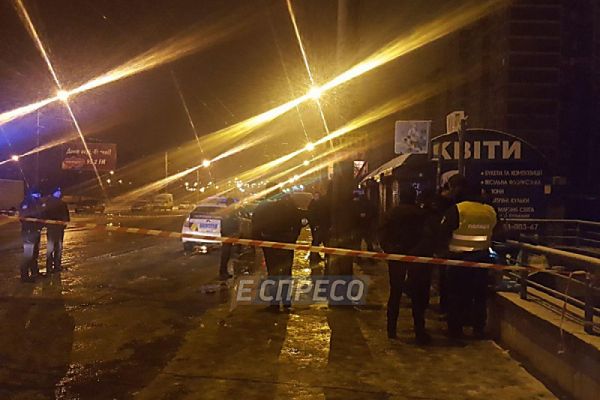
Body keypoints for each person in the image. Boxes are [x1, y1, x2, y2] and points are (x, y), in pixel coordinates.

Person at [439, 174, 497, 339]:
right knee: (479, 296)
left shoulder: (458, 209)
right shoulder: (490, 211)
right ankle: (478, 329)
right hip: (482, 259)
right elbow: (497, 231)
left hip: (459, 260)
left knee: (456, 296)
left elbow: (443, 232)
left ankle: (455, 331)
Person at [379, 185, 436, 344]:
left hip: (396, 258)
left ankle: (391, 329)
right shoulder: (422, 215)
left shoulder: (391, 214)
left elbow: (382, 235)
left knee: (395, 293)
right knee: (418, 296)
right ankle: (419, 331)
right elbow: (428, 237)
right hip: (418, 259)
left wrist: (390, 251)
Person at [252, 183, 302, 310]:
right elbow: (298, 221)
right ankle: (286, 302)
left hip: (270, 243)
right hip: (286, 242)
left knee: (273, 273)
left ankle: (274, 304)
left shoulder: (263, 205)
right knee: (286, 273)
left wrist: (258, 241)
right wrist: (293, 238)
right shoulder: (288, 203)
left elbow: (255, 224)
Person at [42, 187, 70, 273]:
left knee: (50, 247)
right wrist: (63, 225)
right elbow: (66, 216)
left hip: (51, 228)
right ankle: (57, 266)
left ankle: (49, 266)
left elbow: (43, 215)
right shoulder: (61, 203)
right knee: (58, 247)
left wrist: (46, 225)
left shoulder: (47, 203)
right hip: (58, 228)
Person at [19, 187, 43, 282]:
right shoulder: (26, 203)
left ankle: (34, 272)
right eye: (37, 194)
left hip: (35, 231)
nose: (39, 196)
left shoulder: (36, 202)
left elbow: (40, 215)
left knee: (34, 254)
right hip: (28, 232)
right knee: (28, 254)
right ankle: (24, 276)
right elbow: (23, 217)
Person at [307, 191, 330, 265]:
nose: (316, 197)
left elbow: (325, 214)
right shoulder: (312, 205)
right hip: (316, 226)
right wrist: (315, 224)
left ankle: (325, 256)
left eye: (317, 196)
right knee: (316, 241)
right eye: (315, 196)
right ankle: (314, 256)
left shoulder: (322, 204)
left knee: (324, 241)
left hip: (322, 226)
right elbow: (311, 216)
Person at [218, 197, 239, 280]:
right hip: (227, 236)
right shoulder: (228, 212)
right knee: (225, 255)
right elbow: (226, 225)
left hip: (229, 235)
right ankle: (222, 272)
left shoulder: (231, 212)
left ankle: (224, 272)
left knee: (228, 255)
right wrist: (230, 234)